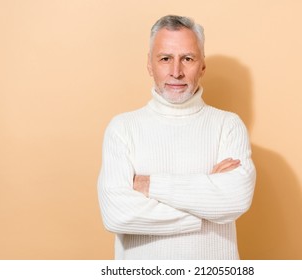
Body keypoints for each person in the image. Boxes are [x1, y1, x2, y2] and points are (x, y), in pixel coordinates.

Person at [97, 15, 256, 260]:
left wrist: (150, 185)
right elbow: (117, 214)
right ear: (150, 65)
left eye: (188, 59)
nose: (176, 72)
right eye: (165, 59)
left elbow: (235, 199)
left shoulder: (228, 125)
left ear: (202, 65)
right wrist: (205, 206)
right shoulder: (122, 128)